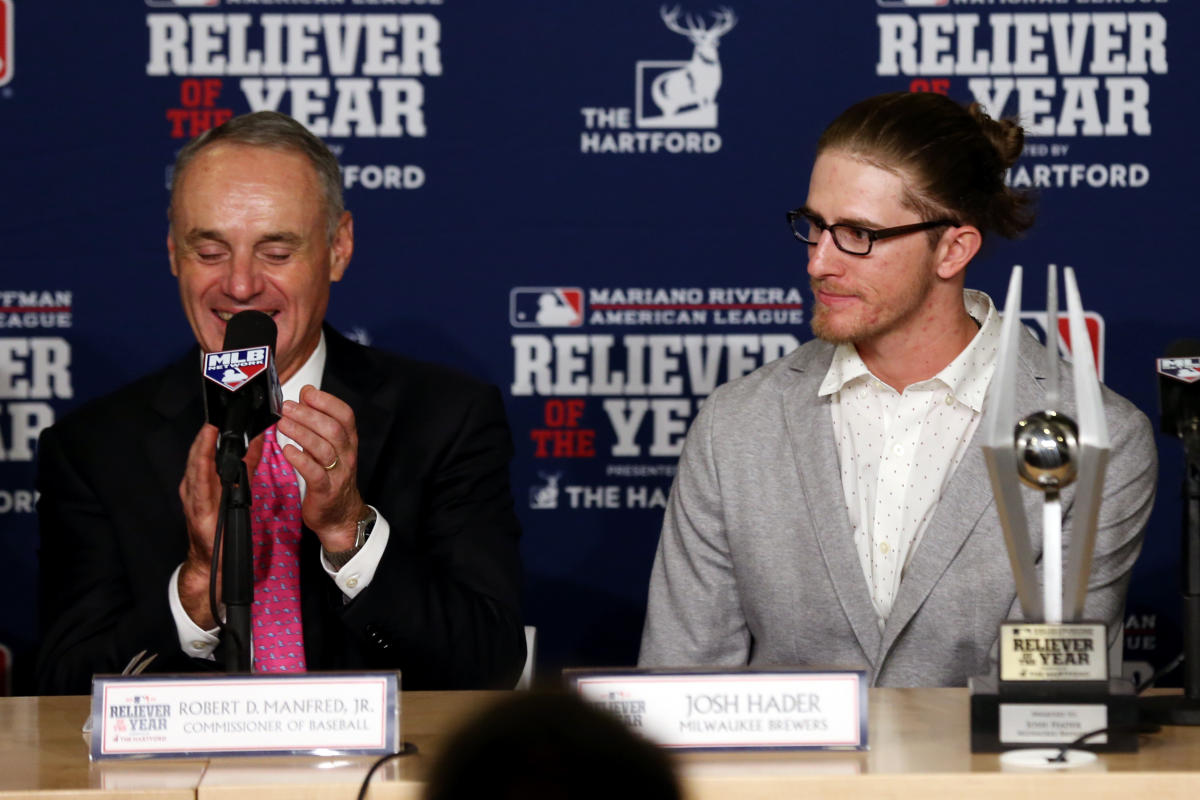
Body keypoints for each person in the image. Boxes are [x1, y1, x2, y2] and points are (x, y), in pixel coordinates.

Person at [638, 91, 1156, 687]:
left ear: (953, 249)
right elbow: (683, 688)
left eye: (858, 233)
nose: (819, 263)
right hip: (783, 784)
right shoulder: (736, 425)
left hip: (989, 783)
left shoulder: (1096, 434)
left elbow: (1042, 700)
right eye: (814, 227)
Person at [35, 111, 525, 694]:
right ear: (173, 253)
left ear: (338, 248)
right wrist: (197, 588)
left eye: (276, 251)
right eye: (210, 251)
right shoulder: (94, 446)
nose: (240, 286)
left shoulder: (446, 418)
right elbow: (61, 696)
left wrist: (350, 531)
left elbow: (490, 666)